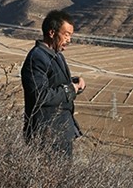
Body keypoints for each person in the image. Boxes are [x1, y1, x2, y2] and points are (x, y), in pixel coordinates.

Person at [21, 9, 86, 157]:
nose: (69, 39)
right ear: (52, 33)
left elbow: (56, 83)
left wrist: (76, 83)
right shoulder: (37, 58)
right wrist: (70, 90)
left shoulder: (56, 55)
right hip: (46, 135)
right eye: (66, 34)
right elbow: (40, 95)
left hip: (60, 132)